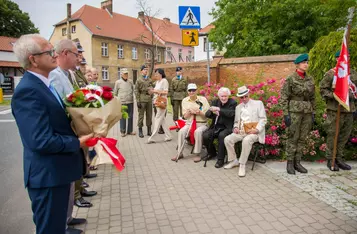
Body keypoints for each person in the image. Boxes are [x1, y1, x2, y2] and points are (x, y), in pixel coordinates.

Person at [11, 34, 93, 234]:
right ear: (33, 58)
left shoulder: (43, 84)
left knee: (57, 227)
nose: (54, 55)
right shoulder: (28, 90)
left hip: (57, 172)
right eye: (48, 52)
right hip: (47, 176)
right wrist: (77, 141)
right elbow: (39, 140)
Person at [49, 39, 88, 230]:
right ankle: (63, 222)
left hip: (73, 131)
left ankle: (68, 217)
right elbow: (61, 105)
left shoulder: (67, 74)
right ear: (64, 53)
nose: (78, 57)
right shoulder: (55, 76)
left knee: (71, 182)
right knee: (66, 182)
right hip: (65, 133)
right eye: (75, 53)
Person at [319, 50, 357, 171]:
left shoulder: (353, 73)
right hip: (335, 110)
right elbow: (323, 90)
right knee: (333, 135)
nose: (347, 59)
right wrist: (337, 96)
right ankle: (331, 159)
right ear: (337, 59)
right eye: (344, 57)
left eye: (348, 57)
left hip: (349, 110)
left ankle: (339, 159)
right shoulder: (331, 74)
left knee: (344, 136)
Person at [280, 53, 315, 175]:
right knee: (293, 137)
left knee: (302, 138)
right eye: (304, 62)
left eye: (307, 62)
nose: (306, 64)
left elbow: (312, 97)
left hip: (307, 112)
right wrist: (286, 114)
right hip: (294, 112)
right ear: (298, 64)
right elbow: (284, 97)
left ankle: (297, 162)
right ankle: (290, 163)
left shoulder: (310, 79)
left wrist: (313, 112)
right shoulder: (291, 79)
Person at [224, 86, 267, 177]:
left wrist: (257, 129)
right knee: (228, 139)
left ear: (249, 94)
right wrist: (235, 127)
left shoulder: (258, 104)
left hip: (254, 132)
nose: (244, 99)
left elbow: (263, 119)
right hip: (241, 131)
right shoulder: (238, 107)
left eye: (245, 96)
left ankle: (242, 165)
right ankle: (234, 160)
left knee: (246, 140)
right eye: (241, 97)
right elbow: (236, 121)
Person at [171, 83, 210, 161]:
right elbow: (184, 116)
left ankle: (197, 153)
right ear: (187, 91)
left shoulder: (203, 99)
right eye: (190, 90)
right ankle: (180, 153)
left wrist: (199, 112)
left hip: (201, 123)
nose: (192, 92)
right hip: (189, 123)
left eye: (193, 90)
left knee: (198, 132)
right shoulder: (185, 100)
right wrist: (189, 112)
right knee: (181, 131)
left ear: (196, 91)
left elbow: (207, 115)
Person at [202, 87, 237, 168]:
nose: (223, 98)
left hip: (227, 127)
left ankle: (220, 159)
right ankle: (212, 153)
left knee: (222, 136)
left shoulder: (233, 102)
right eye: (222, 96)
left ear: (228, 96)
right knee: (206, 135)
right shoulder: (215, 101)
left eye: (225, 96)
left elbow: (231, 113)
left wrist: (219, 110)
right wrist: (211, 111)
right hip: (216, 126)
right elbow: (207, 115)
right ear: (219, 96)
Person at [147, 68, 172, 143]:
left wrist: (155, 91)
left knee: (157, 119)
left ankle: (152, 137)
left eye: (156, 73)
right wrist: (152, 91)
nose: (155, 75)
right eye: (155, 73)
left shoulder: (164, 81)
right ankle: (168, 136)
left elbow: (166, 92)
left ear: (161, 74)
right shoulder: (157, 82)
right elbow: (156, 91)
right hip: (157, 102)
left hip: (162, 103)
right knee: (162, 120)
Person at [114, 68, 135, 137]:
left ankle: (130, 131)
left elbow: (133, 90)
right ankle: (122, 131)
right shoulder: (118, 82)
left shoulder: (130, 81)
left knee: (130, 116)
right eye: (125, 73)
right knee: (123, 117)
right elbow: (115, 93)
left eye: (127, 73)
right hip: (122, 102)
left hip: (130, 101)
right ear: (121, 74)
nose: (126, 75)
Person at [135, 65, 154, 138]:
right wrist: (138, 101)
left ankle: (149, 130)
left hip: (149, 99)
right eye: (144, 69)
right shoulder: (139, 80)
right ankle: (140, 130)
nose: (146, 71)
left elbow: (152, 88)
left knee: (149, 115)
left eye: (147, 69)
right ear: (141, 71)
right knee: (141, 116)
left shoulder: (149, 79)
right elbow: (136, 90)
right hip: (142, 99)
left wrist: (151, 96)